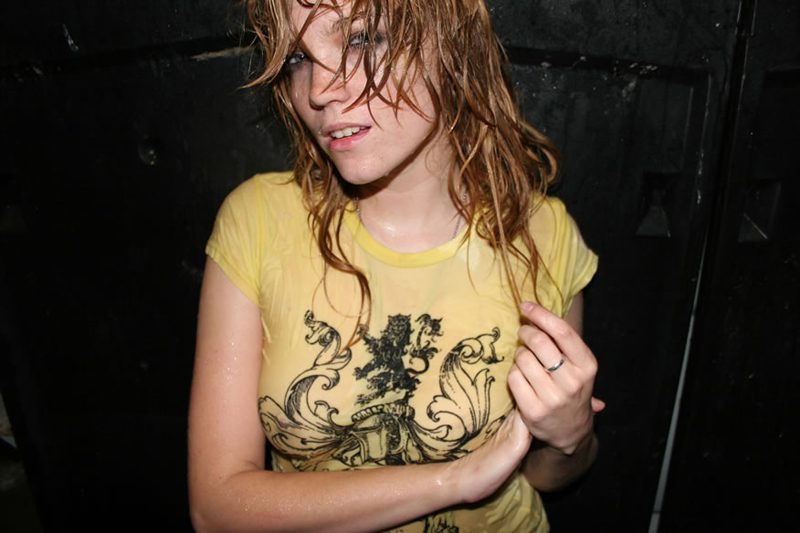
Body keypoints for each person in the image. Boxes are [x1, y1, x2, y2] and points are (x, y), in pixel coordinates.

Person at [188, 0, 604, 530]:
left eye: (361, 39)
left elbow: (547, 477)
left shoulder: (543, 233)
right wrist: (455, 480)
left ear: (451, 42)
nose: (319, 90)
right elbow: (218, 509)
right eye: (298, 58)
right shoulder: (258, 222)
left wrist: (571, 438)